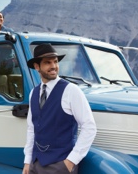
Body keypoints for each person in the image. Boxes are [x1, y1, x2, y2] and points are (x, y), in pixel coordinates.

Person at [23, 43, 96, 174]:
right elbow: (32, 128)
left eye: (55, 62)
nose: (53, 66)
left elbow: (89, 127)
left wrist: (70, 162)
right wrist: (27, 161)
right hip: (35, 164)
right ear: (36, 66)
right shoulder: (33, 93)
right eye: (47, 62)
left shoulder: (71, 90)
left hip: (60, 165)